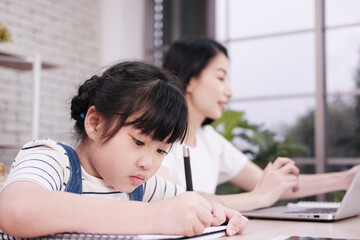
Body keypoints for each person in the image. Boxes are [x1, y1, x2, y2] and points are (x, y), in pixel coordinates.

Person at [0, 61, 248, 238]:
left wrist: (216, 212)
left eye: (161, 151)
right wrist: (154, 217)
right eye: (139, 142)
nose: (148, 163)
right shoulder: (52, 160)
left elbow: (188, 200)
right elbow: (16, 210)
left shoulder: (139, 187)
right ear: (95, 123)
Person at [158, 37, 360, 212]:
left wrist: (345, 180)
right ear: (190, 80)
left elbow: (273, 186)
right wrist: (259, 197)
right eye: (220, 77)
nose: (230, 91)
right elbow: (170, 203)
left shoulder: (209, 140)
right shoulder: (156, 138)